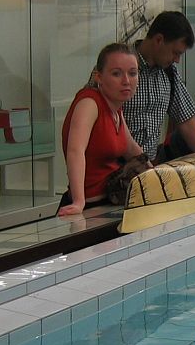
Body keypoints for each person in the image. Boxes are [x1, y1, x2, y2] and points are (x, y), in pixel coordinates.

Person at [58, 42, 149, 217]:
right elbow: (75, 151)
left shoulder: (115, 107)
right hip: (88, 207)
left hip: (110, 203)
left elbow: (132, 149)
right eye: (116, 74)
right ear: (99, 77)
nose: (126, 81)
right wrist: (78, 202)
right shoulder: (90, 103)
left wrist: (159, 178)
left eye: (132, 73)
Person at [122, 11, 195, 161]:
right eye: (175, 53)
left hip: (147, 166)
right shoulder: (118, 65)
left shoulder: (169, 73)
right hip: (114, 167)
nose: (177, 60)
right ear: (159, 40)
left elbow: (186, 120)